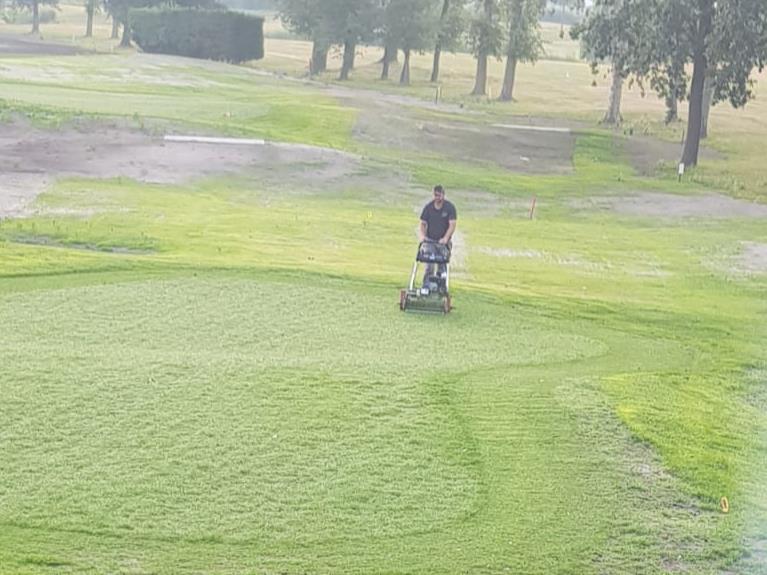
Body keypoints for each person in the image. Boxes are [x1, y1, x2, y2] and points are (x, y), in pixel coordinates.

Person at [418, 185, 457, 286]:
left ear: (443, 195)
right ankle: (426, 286)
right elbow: (423, 223)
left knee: (442, 265)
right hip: (430, 241)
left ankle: (441, 286)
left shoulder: (450, 208)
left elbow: (452, 225)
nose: (437, 197)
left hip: (443, 243)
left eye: (439, 195)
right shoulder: (428, 207)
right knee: (429, 265)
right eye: (435, 195)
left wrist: (445, 238)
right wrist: (422, 236)